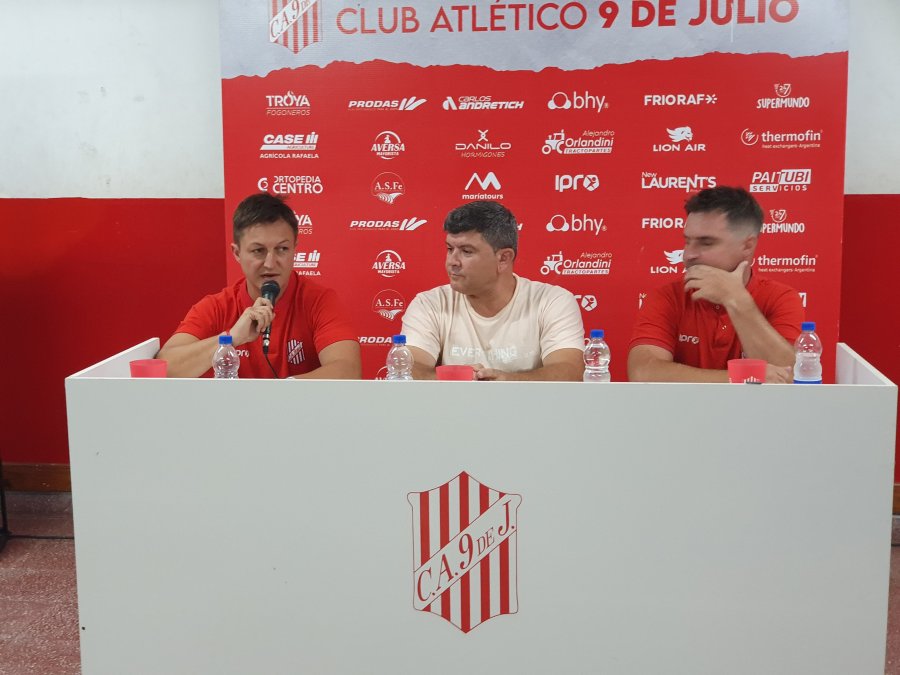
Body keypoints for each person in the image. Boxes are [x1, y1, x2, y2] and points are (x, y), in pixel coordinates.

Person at [158, 192, 361, 379]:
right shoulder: (217, 306)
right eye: (258, 251)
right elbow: (165, 367)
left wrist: (278, 395)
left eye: (282, 249)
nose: (270, 263)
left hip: (299, 414)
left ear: (294, 249)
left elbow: (348, 370)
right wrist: (231, 338)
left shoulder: (318, 301)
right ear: (237, 253)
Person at [627, 186, 803, 383]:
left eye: (706, 243)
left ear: (747, 246)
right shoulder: (667, 297)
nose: (688, 255)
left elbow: (789, 378)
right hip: (682, 413)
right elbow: (643, 373)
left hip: (756, 414)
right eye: (687, 241)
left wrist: (737, 300)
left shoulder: (780, 297)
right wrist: (741, 376)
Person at [401, 200, 585, 381]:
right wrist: (456, 378)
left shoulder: (552, 301)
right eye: (450, 249)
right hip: (454, 411)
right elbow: (406, 370)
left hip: (530, 410)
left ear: (504, 258)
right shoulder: (429, 304)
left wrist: (508, 384)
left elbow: (570, 371)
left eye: (466, 251)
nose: (452, 262)